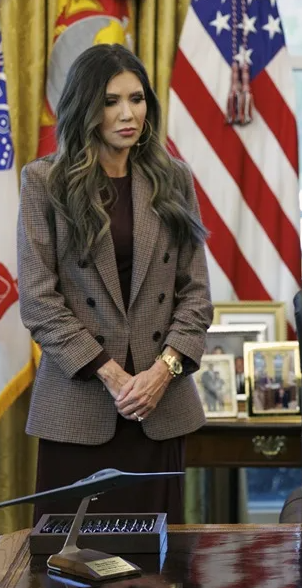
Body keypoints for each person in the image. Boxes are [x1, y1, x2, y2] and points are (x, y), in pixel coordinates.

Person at [17, 44, 212, 524]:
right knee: (68, 556)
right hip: (78, 408)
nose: (128, 114)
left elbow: (195, 295)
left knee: (158, 556)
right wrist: (114, 375)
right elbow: (39, 301)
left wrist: (162, 372)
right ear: (85, 107)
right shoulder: (44, 181)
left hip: (158, 407)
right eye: (110, 101)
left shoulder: (173, 179)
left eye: (137, 98)